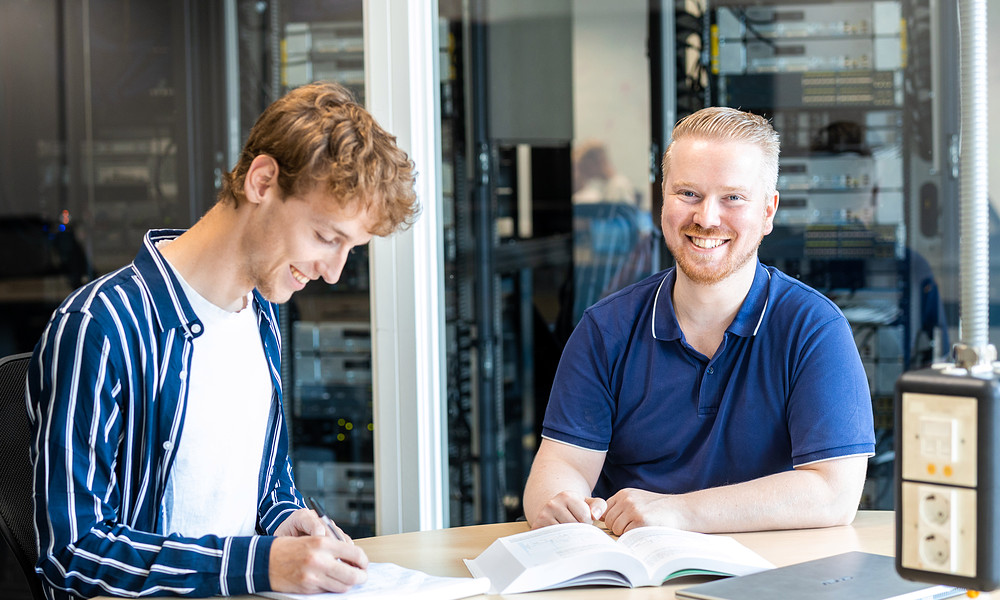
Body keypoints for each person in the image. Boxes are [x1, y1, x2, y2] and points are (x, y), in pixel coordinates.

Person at [26, 81, 417, 599]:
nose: (333, 273)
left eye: (351, 249)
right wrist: (256, 563)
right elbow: (70, 555)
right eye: (327, 238)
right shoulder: (100, 326)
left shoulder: (261, 317)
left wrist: (288, 522)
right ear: (262, 181)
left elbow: (265, 489)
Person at [523, 107, 875, 535]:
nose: (706, 218)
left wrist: (680, 512)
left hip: (770, 578)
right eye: (688, 193)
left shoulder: (813, 329)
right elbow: (561, 465)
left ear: (768, 211)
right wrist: (557, 502)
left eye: (733, 198)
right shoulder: (605, 330)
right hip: (637, 573)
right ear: (662, 200)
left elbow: (834, 494)